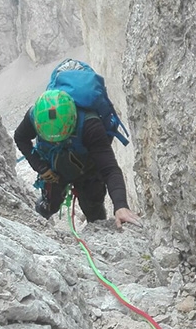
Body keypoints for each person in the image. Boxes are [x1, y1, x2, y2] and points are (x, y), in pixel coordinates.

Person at [14, 89, 140, 229]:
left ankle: (96, 235)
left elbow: (109, 169)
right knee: (50, 205)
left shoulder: (90, 126)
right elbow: (20, 138)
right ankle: (36, 224)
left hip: (88, 170)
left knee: (93, 210)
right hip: (53, 169)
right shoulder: (34, 116)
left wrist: (120, 205)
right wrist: (41, 167)